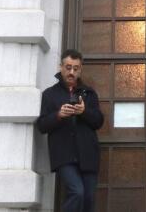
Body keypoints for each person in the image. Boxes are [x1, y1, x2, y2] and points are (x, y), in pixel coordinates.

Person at [36, 49, 104, 212]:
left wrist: (84, 112)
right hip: (64, 156)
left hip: (88, 155)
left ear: (80, 70)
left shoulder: (89, 93)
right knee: (77, 192)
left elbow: (99, 122)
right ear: (61, 67)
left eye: (75, 68)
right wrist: (58, 115)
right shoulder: (49, 94)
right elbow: (42, 126)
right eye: (68, 67)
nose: (71, 72)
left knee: (88, 199)